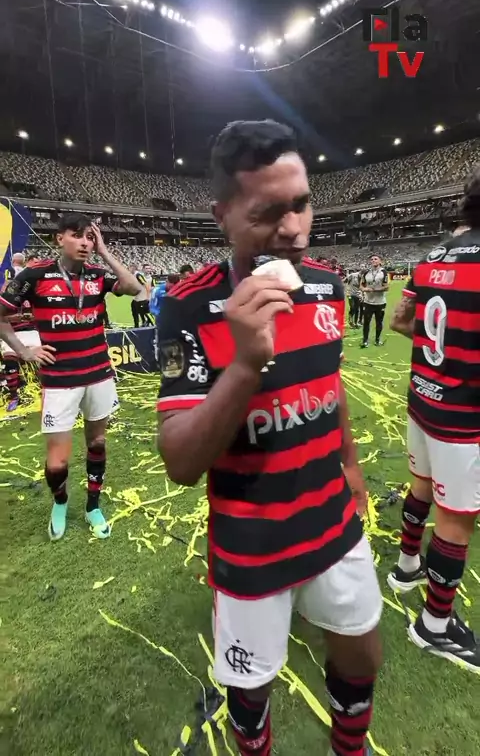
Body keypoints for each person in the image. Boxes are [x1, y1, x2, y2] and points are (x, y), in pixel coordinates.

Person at [156, 120, 382, 756]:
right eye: (267, 213)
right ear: (223, 216)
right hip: (251, 543)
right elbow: (179, 460)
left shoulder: (327, 287)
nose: (293, 229)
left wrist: (351, 465)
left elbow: (329, 386)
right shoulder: (188, 305)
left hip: (333, 519)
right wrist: (245, 365)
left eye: (301, 204)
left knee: (363, 651)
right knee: (250, 690)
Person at [388, 168, 480, 671]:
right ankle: (435, 626)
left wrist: (434, 353)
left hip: (423, 398)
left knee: (421, 487)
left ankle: (406, 568)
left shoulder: (432, 257)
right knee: (456, 521)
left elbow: (401, 320)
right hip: (463, 414)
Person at [0, 213, 141, 541]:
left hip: (99, 375)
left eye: (89, 237)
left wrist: (104, 252)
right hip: (60, 380)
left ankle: (93, 506)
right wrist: (24, 351)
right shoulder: (34, 275)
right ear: (59, 238)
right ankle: (60, 503)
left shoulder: (97, 275)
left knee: (97, 443)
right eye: (77, 235)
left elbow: (135, 288)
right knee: (57, 462)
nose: (84, 242)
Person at [360, 256, 389, 348]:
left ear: (380, 261)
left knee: (379, 322)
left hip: (380, 302)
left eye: (376, 259)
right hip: (368, 302)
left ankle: (377, 340)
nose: (373, 260)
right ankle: (365, 341)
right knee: (366, 322)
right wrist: (365, 289)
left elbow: (386, 287)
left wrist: (375, 290)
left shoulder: (383, 272)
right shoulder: (366, 273)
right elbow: (361, 286)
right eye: (372, 259)